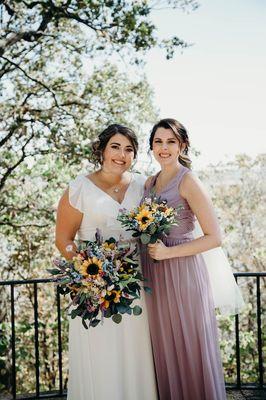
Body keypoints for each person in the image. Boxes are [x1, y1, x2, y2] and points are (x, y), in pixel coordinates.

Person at [55, 124, 158, 400]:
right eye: (115, 146)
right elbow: (63, 240)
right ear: (101, 149)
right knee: (100, 353)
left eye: (129, 149)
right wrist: (90, 273)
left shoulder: (143, 184)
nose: (122, 155)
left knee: (135, 350)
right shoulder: (79, 188)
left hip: (137, 283)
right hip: (94, 288)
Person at [141, 118, 227, 400]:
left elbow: (215, 237)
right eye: (158, 142)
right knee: (166, 347)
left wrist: (168, 252)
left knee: (191, 346)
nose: (163, 148)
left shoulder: (188, 180)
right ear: (151, 146)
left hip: (184, 272)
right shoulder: (149, 184)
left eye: (170, 142)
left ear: (182, 145)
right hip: (156, 275)